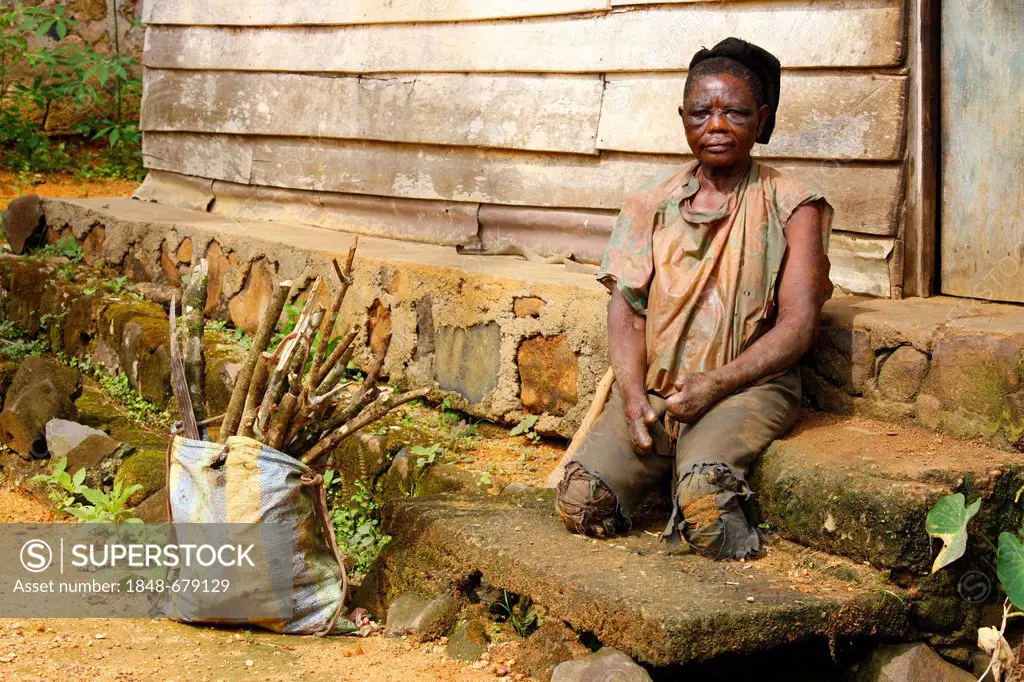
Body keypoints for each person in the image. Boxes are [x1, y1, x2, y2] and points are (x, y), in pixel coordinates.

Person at [555, 37, 834, 560]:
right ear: (683, 117)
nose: (717, 125)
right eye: (702, 112)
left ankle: (697, 484)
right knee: (581, 502)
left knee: (706, 510)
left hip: (748, 387)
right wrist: (635, 397)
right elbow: (627, 310)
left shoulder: (792, 204)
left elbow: (798, 325)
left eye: (735, 112)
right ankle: (665, 463)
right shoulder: (650, 203)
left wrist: (716, 383)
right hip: (660, 392)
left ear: (761, 119)